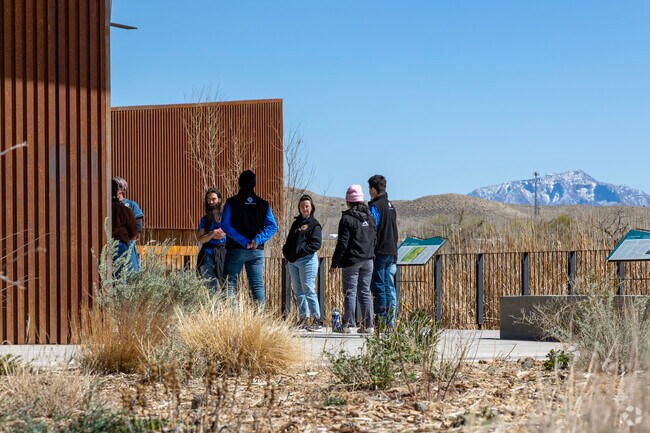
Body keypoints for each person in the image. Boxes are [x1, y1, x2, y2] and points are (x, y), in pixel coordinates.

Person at [221, 170, 278, 309]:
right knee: (257, 285)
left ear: (239, 183)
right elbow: (272, 226)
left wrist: (243, 241)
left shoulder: (231, 202)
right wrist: (257, 240)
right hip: (256, 250)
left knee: (229, 285)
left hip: (236, 249)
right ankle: (258, 320)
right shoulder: (263, 204)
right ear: (254, 184)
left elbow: (225, 225)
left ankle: (233, 317)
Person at [330, 184, 376, 334]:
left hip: (352, 261)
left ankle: (347, 324)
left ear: (348, 200)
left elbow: (342, 243)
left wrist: (334, 263)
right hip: (368, 260)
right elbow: (374, 238)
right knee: (364, 291)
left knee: (350, 292)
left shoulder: (347, 218)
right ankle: (369, 325)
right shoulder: (369, 217)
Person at [282, 194, 323, 331]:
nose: (304, 209)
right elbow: (289, 242)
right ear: (299, 208)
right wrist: (287, 252)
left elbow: (316, 244)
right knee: (298, 291)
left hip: (307, 260)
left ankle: (317, 319)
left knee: (308, 289)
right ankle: (303, 318)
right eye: (302, 206)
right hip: (293, 262)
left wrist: (301, 251)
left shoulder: (314, 224)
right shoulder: (296, 223)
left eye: (307, 206)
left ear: (311, 208)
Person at [368, 174, 399, 328]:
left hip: (379, 251)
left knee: (379, 287)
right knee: (387, 286)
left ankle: (381, 320)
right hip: (391, 251)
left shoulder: (375, 206)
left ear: (373, 189)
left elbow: (372, 229)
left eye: (370, 188)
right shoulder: (390, 205)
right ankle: (389, 322)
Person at [197, 188, 227, 290]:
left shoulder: (226, 217)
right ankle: (214, 306)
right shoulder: (204, 220)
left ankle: (229, 306)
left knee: (226, 285)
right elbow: (201, 240)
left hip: (223, 254)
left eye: (213, 199)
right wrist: (213, 233)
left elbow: (225, 234)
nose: (210, 202)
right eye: (208, 199)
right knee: (210, 287)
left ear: (219, 199)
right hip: (207, 255)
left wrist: (209, 234)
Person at [113, 177, 143, 272]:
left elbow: (138, 227)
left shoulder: (131, 205)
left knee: (130, 270)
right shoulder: (109, 205)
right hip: (117, 241)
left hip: (126, 241)